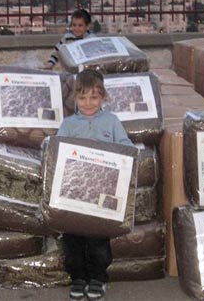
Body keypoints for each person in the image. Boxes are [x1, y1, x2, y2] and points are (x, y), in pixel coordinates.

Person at [57, 69, 134, 301]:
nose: (88, 103)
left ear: (103, 98)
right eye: (82, 97)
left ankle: (98, 279)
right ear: (74, 99)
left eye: (94, 97)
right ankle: (78, 278)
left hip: (102, 194)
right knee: (73, 239)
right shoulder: (69, 124)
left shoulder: (111, 121)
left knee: (99, 241)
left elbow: (125, 145)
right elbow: (56, 148)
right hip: (74, 193)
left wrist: (130, 152)